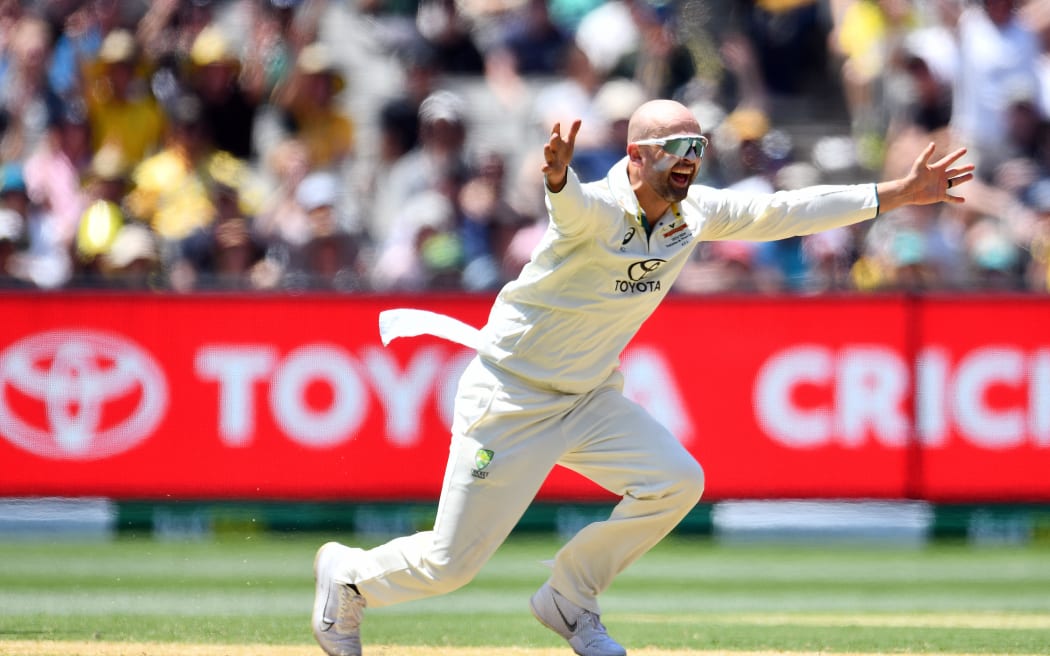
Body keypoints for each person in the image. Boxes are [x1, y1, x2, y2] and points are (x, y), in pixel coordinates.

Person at [310, 99, 974, 656]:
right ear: (635, 156)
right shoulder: (596, 208)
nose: (689, 157)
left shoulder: (694, 213)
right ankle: (349, 578)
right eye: (673, 146)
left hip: (590, 395)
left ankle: (570, 597)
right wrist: (557, 179)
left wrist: (894, 194)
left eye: (697, 146)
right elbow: (570, 210)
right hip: (511, 396)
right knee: (449, 566)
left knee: (677, 482)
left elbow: (781, 213)